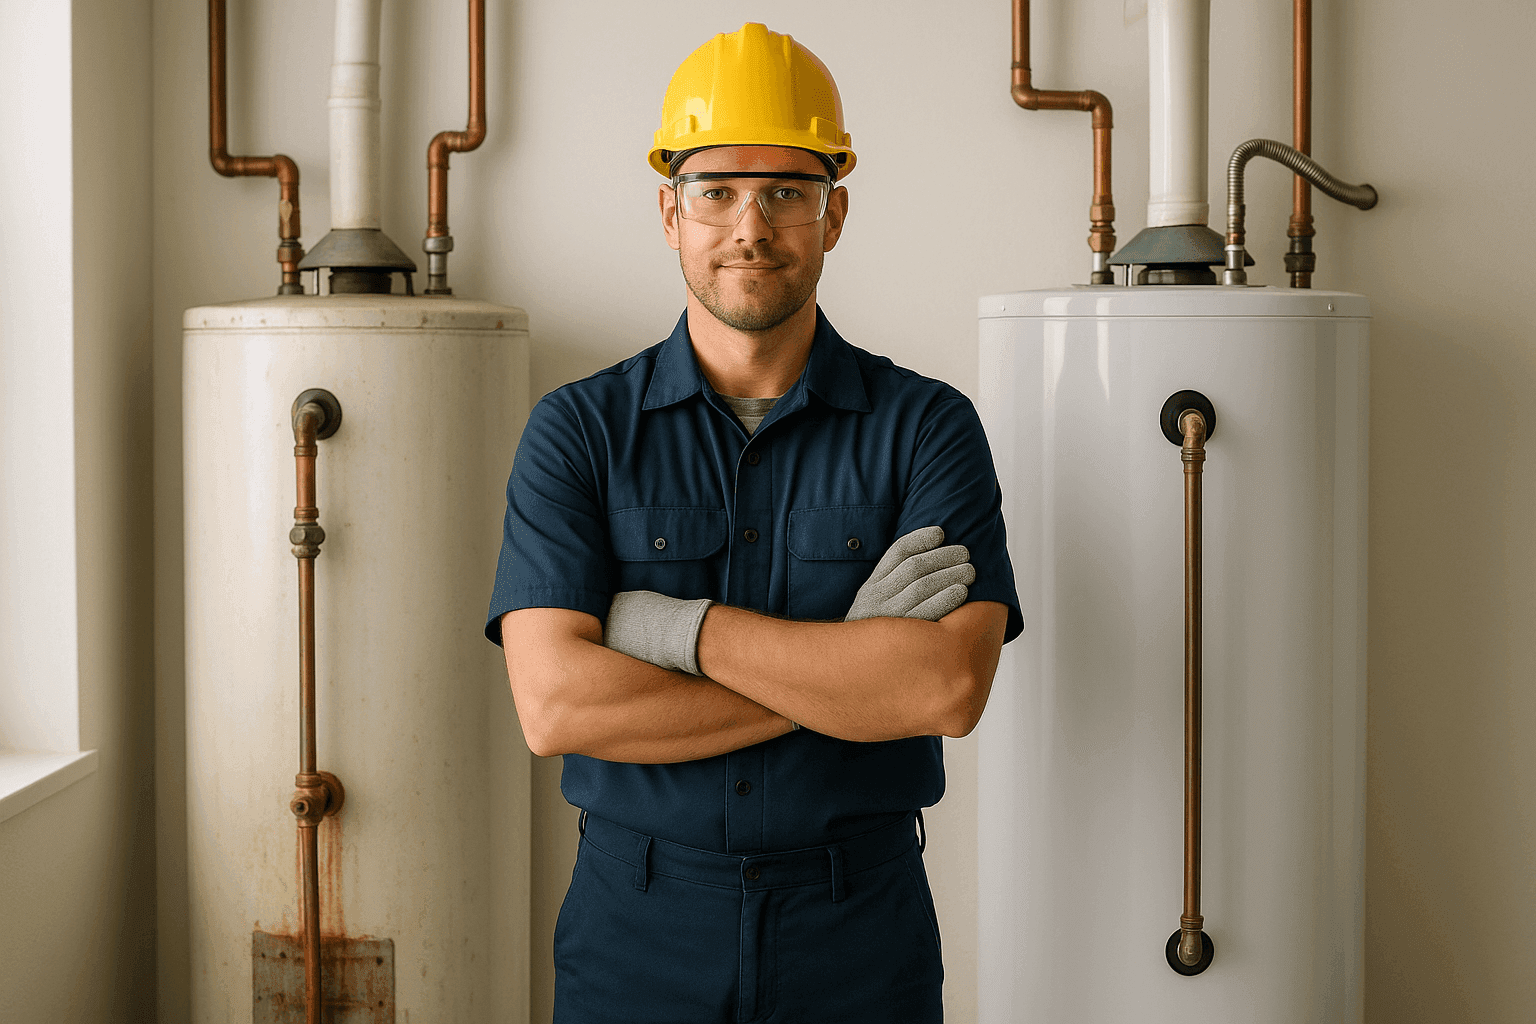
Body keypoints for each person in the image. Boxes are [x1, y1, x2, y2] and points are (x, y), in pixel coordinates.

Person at [486, 22, 1022, 1024]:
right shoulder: (578, 432)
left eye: (787, 191)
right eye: (717, 192)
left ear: (836, 213)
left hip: (856, 924)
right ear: (668, 211)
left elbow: (944, 687)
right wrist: (846, 673)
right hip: (636, 924)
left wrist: (668, 630)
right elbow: (556, 706)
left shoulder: (927, 428)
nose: (750, 225)